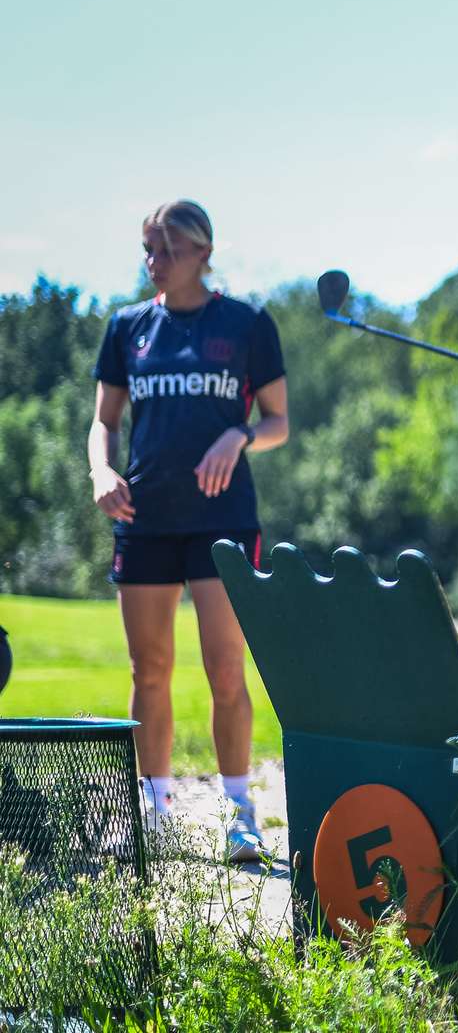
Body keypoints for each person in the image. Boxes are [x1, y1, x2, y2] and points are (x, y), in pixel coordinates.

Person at [89, 200, 289, 861]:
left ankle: (239, 812)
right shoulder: (128, 328)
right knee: (149, 669)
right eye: (147, 249)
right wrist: (99, 470)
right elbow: (105, 422)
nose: (153, 263)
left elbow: (278, 422)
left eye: (166, 251)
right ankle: (154, 811)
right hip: (143, 521)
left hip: (222, 521)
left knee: (225, 669)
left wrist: (239, 433)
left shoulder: (247, 324)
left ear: (203, 252)